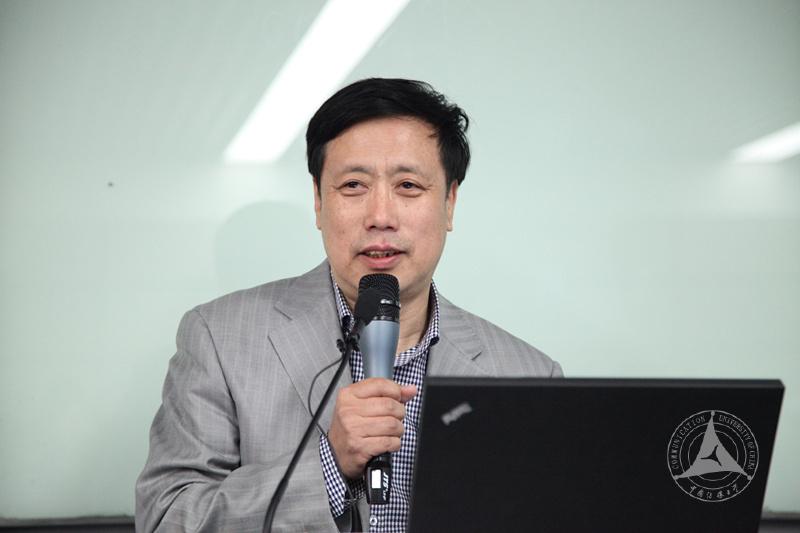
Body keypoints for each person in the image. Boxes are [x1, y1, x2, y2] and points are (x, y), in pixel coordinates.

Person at [135, 78, 562, 532]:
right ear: (318, 201)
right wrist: (328, 466)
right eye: (354, 185)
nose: (380, 216)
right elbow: (166, 520)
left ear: (449, 203)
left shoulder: (530, 377)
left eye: (408, 185)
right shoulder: (219, 338)